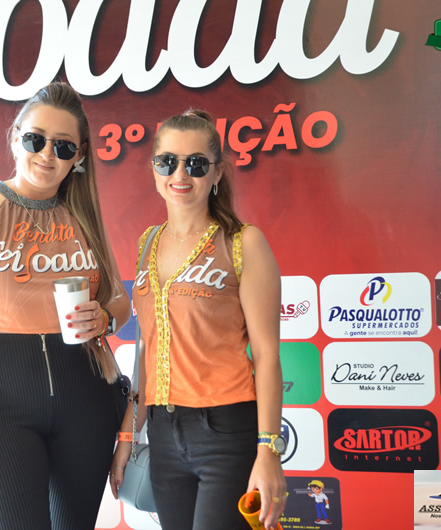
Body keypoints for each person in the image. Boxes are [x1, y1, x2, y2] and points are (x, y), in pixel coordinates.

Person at [0, 81, 131, 529]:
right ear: (16, 136)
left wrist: (106, 317)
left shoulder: (85, 213)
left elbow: (119, 300)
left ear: (79, 155)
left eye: (63, 146)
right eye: (36, 139)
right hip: (1, 402)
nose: (47, 154)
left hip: (86, 397)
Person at [110, 110, 287, 529]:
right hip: (163, 432)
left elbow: (266, 355)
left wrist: (269, 450)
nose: (180, 174)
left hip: (225, 429)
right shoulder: (148, 242)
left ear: (217, 172)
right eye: (167, 161)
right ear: (154, 168)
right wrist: (128, 435)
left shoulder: (243, 242)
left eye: (196, 163)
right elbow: (147, 352)